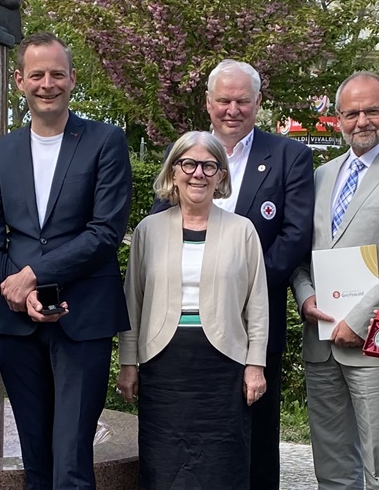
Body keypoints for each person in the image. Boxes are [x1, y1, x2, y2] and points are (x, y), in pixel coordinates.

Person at [146, 59, 313, 488]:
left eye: (242, 100)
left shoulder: (289, 156)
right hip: (179, 337)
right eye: (224, 100)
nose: (232, 109)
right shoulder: (184, 155)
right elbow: (159, 236)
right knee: (179, 442)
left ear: (258, 102)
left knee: (253, 442)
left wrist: (239, 289)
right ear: (208, 103)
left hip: (254, 324)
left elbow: (294, 235)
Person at [0, 32, 132, 490]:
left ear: (72, 79)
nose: (48, 83)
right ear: (20, 81)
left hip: (83, 320)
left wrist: (33, 276)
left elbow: (105, 232)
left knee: (71, 462)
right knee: (36, 462)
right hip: (18, 325)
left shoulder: (105, 141)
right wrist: (17, 290)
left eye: (57, 74)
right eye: (38, 74)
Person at [289, 71, 379, 490]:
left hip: (376, 340)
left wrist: (358, 318)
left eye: (372, 110)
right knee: (331, 465)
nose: (362, 120)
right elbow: (302, 254)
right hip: (320, 339)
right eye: (351, 113)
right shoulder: (321, 175)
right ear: (338, 119)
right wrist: (305, 298)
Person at [120, 131, 272, 489]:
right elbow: (132, 302)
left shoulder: (242, 231)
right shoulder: (148, 231)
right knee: (163, 462)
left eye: (209, 165)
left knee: (222, 463)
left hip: (224, 367)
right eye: (188, 163)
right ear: (174, 171)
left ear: (221, 175)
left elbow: (258, 303)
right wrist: (128, 363)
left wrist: (256, 364)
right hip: (164, 365)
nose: (198, 173)